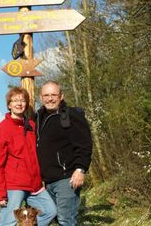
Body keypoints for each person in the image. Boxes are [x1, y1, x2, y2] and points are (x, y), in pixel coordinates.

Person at [0, 87, 57, 226]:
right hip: (15, 185)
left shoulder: (31, 125)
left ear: (26, 104)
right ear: (9, 105)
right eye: (15, 100)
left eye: (22, 100)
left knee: (50, 211)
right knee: (8, 222)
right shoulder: (3, 128)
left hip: (34, 184)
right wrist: (0, 193)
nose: (19, 103)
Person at [36, 80, 93, 226]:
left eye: (54, 95)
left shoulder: (71, 115)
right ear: (41, 97)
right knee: (53, 218)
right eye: (46, 95)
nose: (50, 98)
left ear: (61, 96)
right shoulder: (38, 117)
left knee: (66, 220)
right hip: (47, 181)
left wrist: (80, 169)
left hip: (66, 178)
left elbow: (84, 144)